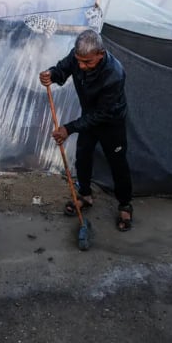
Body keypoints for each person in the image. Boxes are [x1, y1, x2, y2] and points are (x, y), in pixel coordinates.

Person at [39, 29, 135, 232]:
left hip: (110, 121)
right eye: (79, 60)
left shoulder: (115, 74)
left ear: (100, 54)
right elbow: (62, 69)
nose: (81, 66)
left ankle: (125, 204)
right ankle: (85, 195)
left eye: (88, 63)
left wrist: (69, 128)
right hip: (88, 117)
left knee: (118, 163)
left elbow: (102, 114)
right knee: (83, 156)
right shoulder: (78, 56)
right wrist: (51, 75)